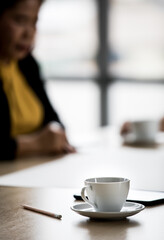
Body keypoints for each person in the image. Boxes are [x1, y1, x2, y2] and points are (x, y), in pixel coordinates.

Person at [0, 0, 76, 160]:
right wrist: (37, 144)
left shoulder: (27, 63)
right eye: (20, 20)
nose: (29, 32)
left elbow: (53, 120)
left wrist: (56, 133)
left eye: (34, 22)